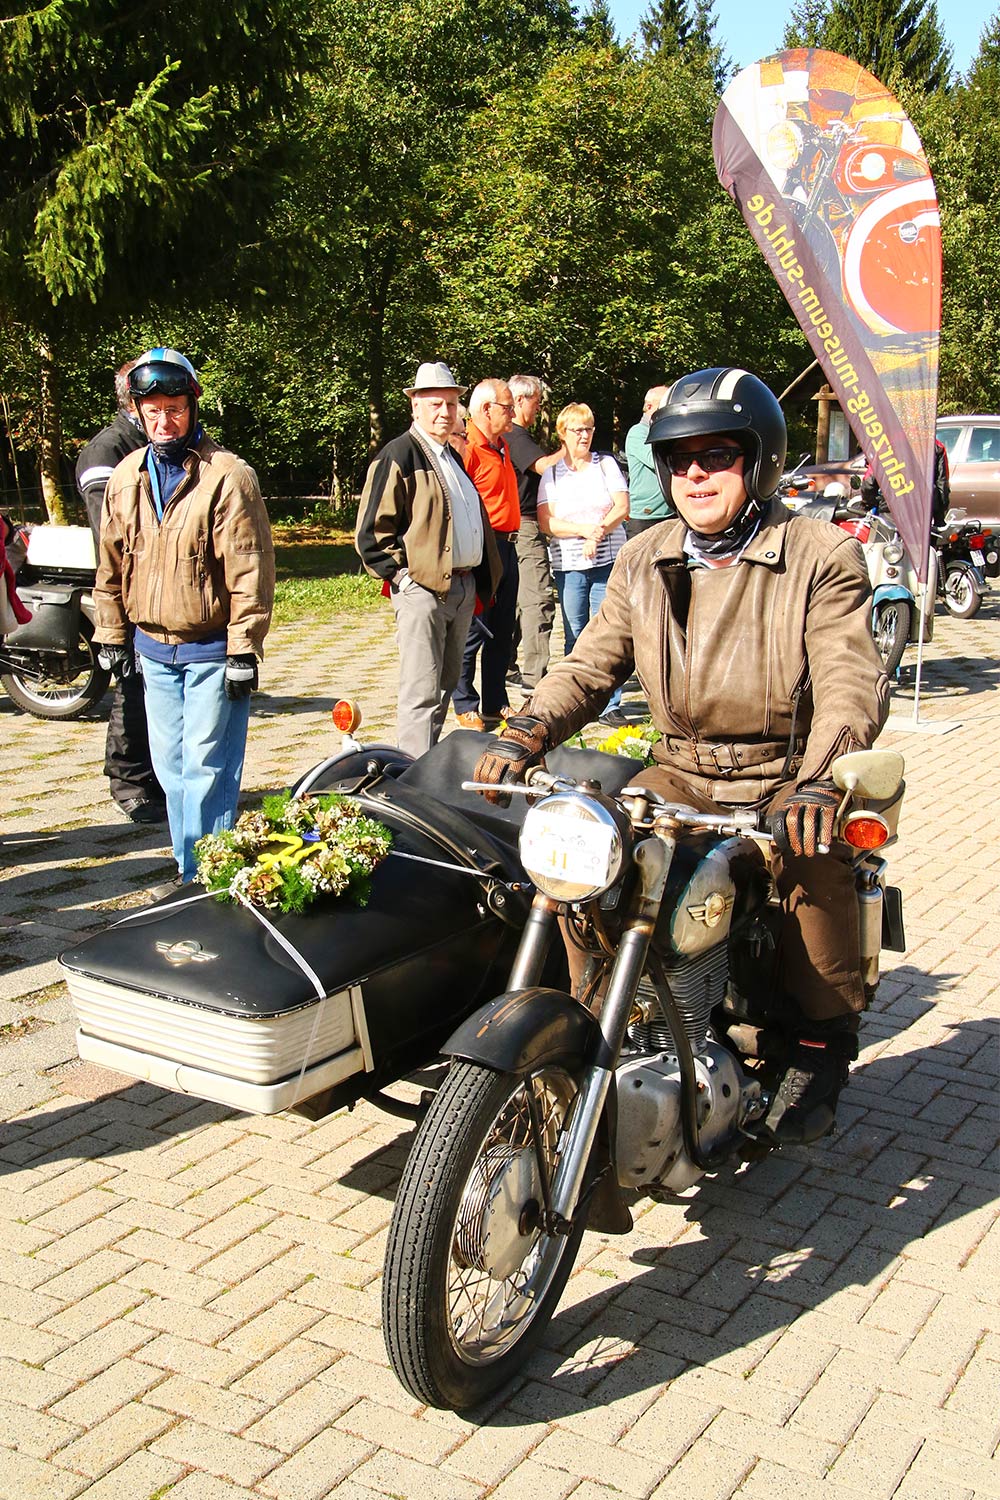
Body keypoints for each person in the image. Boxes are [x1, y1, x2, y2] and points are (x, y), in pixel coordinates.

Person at [475, 366, 889, 1145]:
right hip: (682, 772)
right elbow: (591, 664)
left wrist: (819, 784)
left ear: (759, 462)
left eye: (717, 456)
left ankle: (819, 1043)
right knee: (590, 859)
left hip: (783, 777)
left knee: (813, 866)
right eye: (679, 459)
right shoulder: (646, 557)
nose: (696, 474)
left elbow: (848, 680)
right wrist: (525, 730)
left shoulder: (819, 554)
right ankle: (598, 1022)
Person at [93, 348, 274, 891]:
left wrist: (243, 648)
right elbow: (111, 562)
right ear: (137, 412)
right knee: (170, 767)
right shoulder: (126, 476)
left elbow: (250, 567)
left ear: (192, 407)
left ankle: (206, 876)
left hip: (211, 648)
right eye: (152, 411)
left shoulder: (227, 476)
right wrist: (111, 633)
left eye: (174, 409)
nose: (163, 421)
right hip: (152, 649)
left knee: (206, 766)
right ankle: (187, 863)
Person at [355, 362, 501, 757]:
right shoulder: (399, 455)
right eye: (435, 404)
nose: (445, 412)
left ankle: (427, 767)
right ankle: (411, 775)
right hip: (424, 590)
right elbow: (370, 534)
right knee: (421, 692)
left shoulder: (451, 456)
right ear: (415, 406)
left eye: (451, 404)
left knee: (444, 686)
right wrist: (403, 579)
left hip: (460, 588)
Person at [76, 360, 166, 824]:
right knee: (132, 684)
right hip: (129, 588)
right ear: (132, 399)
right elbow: (108, 531)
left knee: (159, 688)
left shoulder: (161, 444)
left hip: (169, 589)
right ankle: (129, 781)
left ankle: (159, 775)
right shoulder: (107, 449)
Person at [537, 401, 630, 728]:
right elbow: (547, 522)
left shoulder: (606, 465)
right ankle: (575, 702)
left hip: (607, 560)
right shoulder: (551, 474)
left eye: (589, 429)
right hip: (570, 564)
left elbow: (622, 506)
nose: (584, 435)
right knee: (575, 634)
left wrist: (598, 532)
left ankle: (610, 704)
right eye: (578, 430)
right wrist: (583, 531)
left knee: (608, 633)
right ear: (563, 433)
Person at [450, 379, 521, 731]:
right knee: (474, 629)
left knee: (503, 629)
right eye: (507, 407)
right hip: (483, 547)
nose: (513, 413)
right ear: (486, 409)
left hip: (508, 545)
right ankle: (464, 702)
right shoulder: (468, 447)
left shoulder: (502, 446)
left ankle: (495, 702)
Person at [506, 375, 562, 690]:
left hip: (515, 525)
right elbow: (543, 466)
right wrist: (570, 447)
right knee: (538, 598)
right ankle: (534, 677)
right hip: (526, 526)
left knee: (516, 600)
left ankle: (506, 667)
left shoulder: (510, 436)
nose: (538, 409)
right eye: (536, 402)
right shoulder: (515, 435)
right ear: (520, 400)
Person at [623, 384, 673, 538]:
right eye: (665, 403)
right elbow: (658, 462)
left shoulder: (666, 432)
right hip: (645, 518)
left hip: (671, 514)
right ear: (650, 406)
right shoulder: (638, 433)